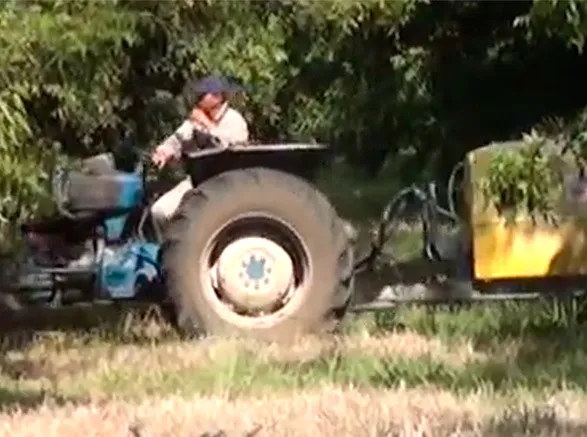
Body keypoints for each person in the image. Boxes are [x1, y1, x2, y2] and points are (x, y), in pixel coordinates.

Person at [150, 75, 249, 227]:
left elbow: (228, 149)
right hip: (197, 181)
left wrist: (207, 125)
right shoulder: (195, 120)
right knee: (160, 212)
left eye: (203, 95)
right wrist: (164, 151)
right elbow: (178, 139)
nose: (198, 98)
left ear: (217, 97)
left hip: (226, 183)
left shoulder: (234, 120)